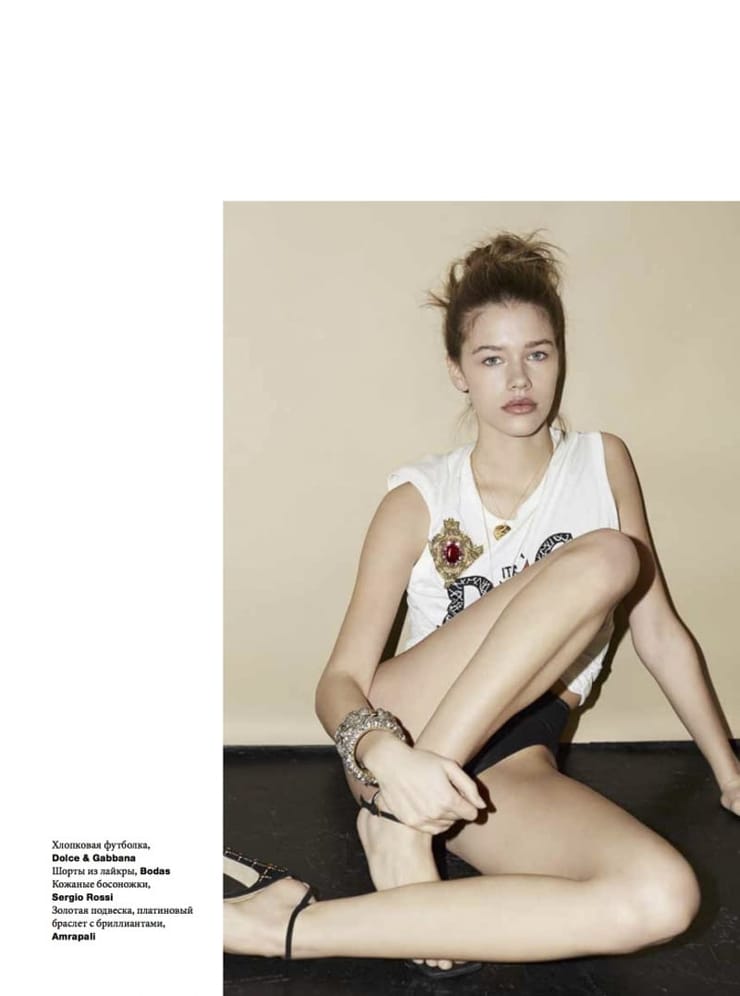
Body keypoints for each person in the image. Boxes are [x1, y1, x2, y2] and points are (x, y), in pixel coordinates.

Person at [224, 231, 740, 975]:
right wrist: (389, 759)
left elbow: (658, 631)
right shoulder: (419, 497)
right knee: (607, 556)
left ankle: (285, 927)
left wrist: (729, 773)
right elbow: (340, 682)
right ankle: (399, 815)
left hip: (518, 752)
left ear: (560, 357)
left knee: (663, 897)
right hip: (407, 730)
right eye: (492, 359)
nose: (519, 378)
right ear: (457, 372)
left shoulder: (601, 462)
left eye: (538, 353)